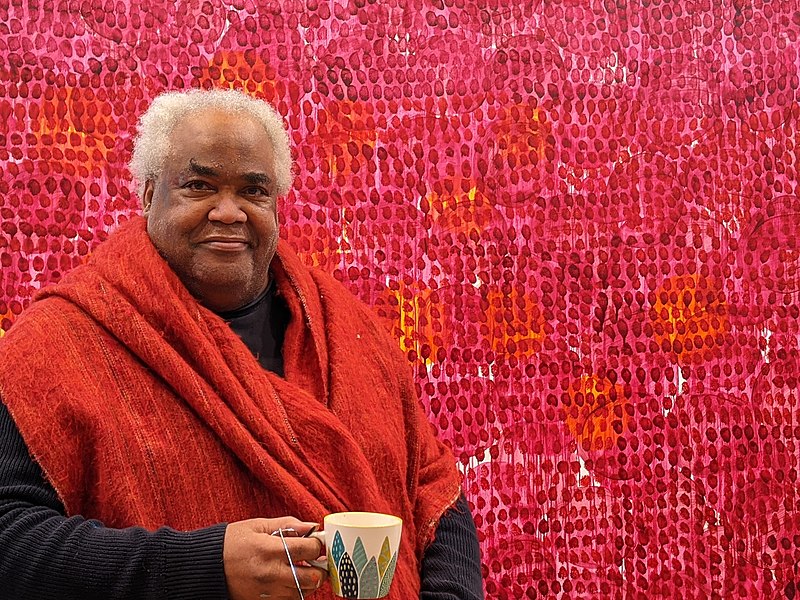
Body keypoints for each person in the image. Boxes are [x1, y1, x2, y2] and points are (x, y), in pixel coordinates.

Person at [0, 89, 483, 599]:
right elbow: (10, 538)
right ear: (147, 194)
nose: (228, 213)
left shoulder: (348, 330)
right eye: (199, 185)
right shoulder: (60, 343)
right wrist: (207, 565)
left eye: (253, 191)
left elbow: (434, 492)